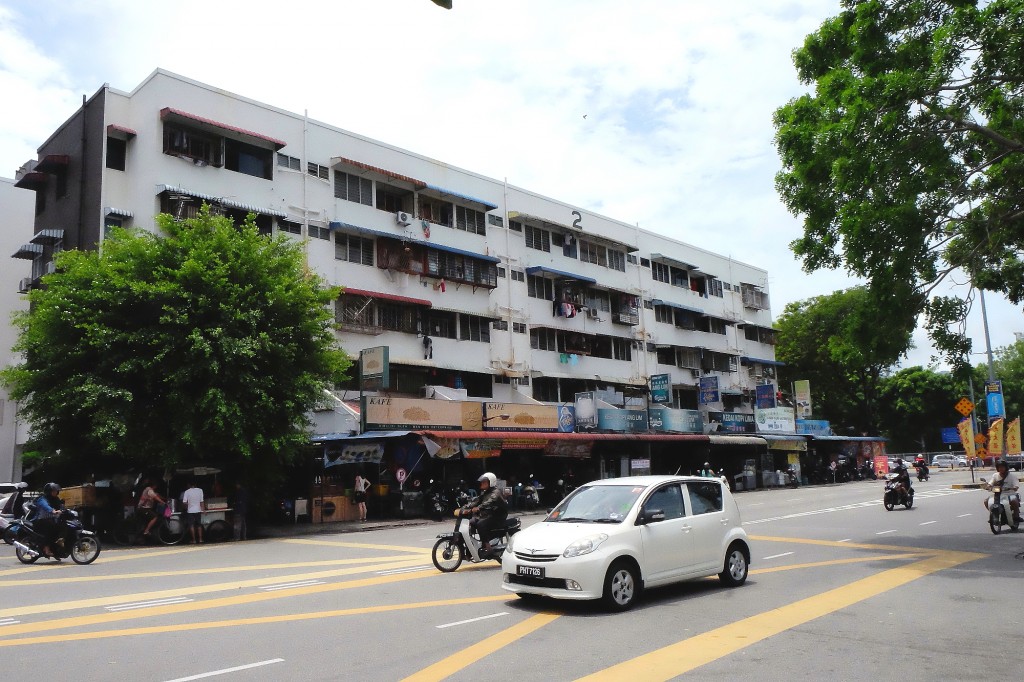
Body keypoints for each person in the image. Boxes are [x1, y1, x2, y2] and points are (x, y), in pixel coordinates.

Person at [465, 472, 508, 555]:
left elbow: (490, 501)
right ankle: (474, 545)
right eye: (482, 482)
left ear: (491, 482)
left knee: (481, 524)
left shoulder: (496, 492)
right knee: (471, 522)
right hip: (488, 515)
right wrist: (466, 507)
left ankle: (487, 546)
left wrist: (479, 508)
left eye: (484, 482)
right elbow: (476, 501)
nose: (482, 484)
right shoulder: (485, 492)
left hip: (497, 517)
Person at [28, 482, 65, 558]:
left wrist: (64, 509)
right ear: (49, 491)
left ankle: (56, 547)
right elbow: (45, 506)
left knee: (62, 525)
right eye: (54, 491)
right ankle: (46, 548)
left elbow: (61, 507)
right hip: (40, 521)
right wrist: (52, 511)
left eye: (56, 491)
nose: (56, 492)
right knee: (50, 527)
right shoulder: (42, 499)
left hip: (51, 520)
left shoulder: (56, 499)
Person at [180, 479, 205, 544]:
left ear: (189, 485)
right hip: (198, 510)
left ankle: (193, 540)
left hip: (190, 511)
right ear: (196, 484)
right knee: (199, 525)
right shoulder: (200, 490)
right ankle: (200, 539)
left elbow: (184, 502)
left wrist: (189, 504)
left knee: (191, 525)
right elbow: (202, 501)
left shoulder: (187, 492)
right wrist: (203, 510)